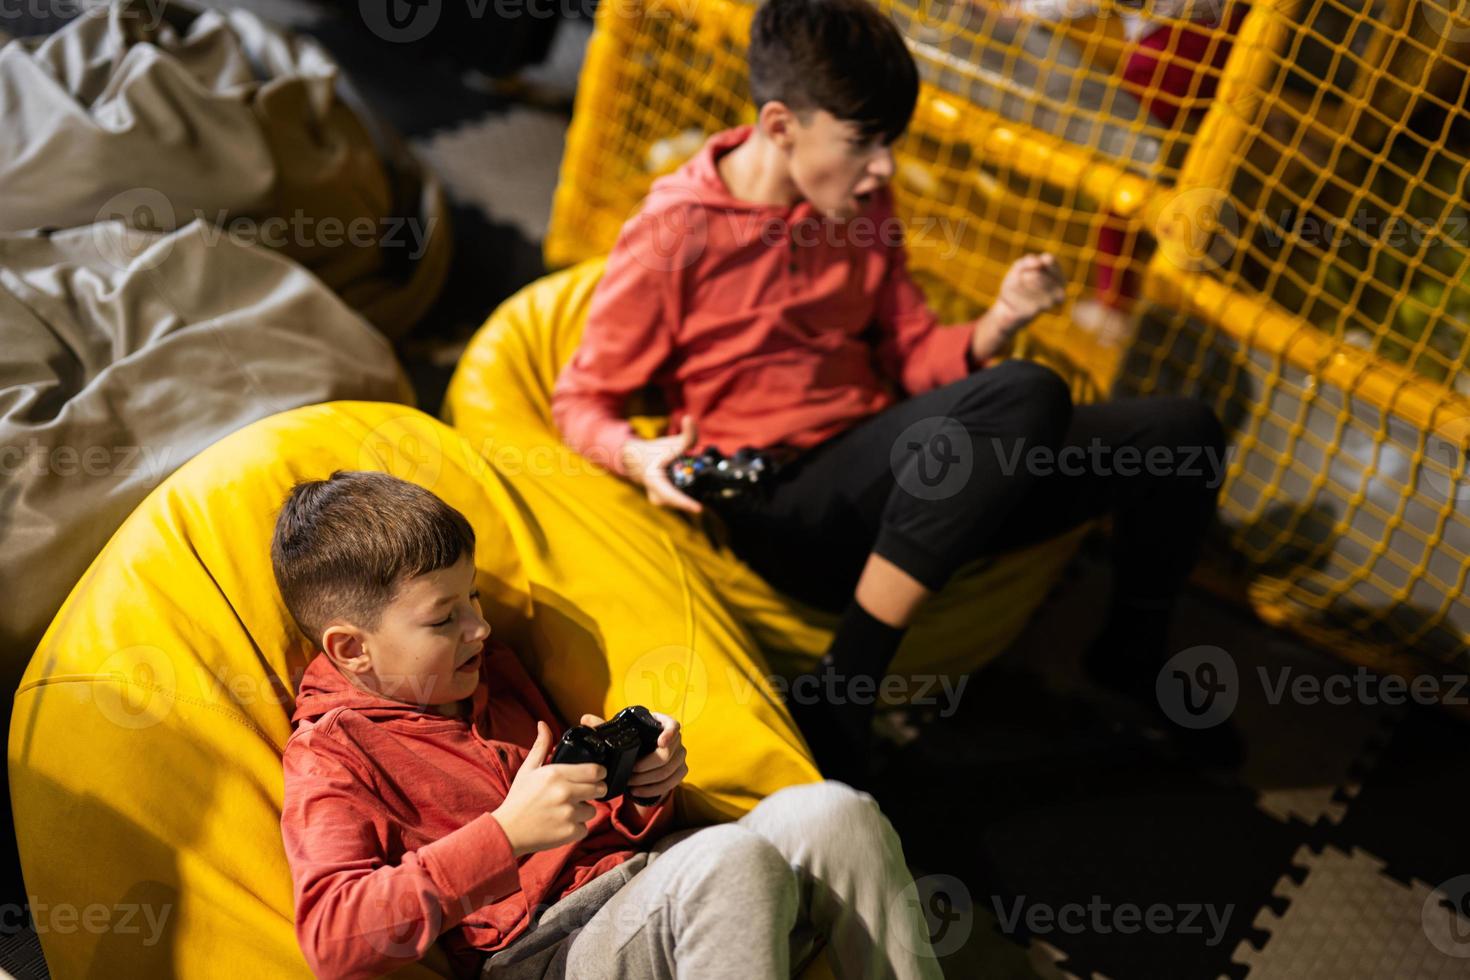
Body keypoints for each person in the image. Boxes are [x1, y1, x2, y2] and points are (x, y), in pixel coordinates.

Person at [551, 0, 1230, 781]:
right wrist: (638, 459)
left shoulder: (862, 203)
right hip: (790, 505)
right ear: (780, 126)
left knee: (1182, 432)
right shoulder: (676, 230)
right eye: (862, 143)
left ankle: (1129, 650)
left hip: (899, 474)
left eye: (889, 144)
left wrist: (999, 321)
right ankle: (845, 688)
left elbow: (911, 354)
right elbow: (581, 400)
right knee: (1029, 395)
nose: (883, 168)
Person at [274, 470, 940, 980]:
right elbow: (335, 937)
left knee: (832, 812)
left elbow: (594, 832)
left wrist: (645, 791)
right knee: (726, 858)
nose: (478, 626)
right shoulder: (332, 756)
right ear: (351, 649)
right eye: (444, 618)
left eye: (474, 597)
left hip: (645, 885)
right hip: (541, 954)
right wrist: (503, 836)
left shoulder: (490, 668)